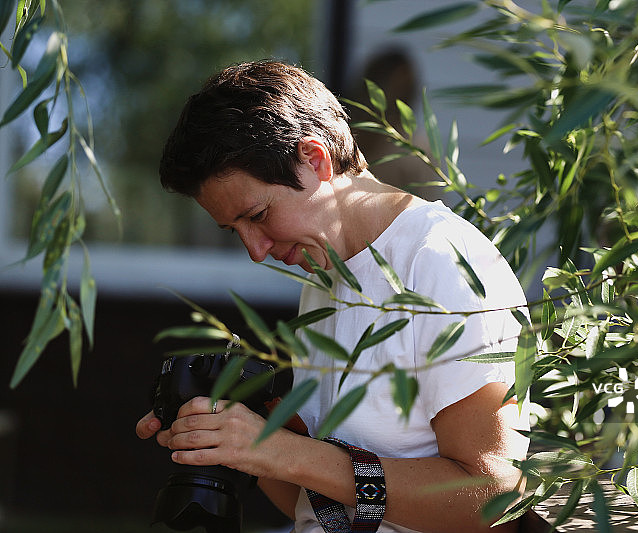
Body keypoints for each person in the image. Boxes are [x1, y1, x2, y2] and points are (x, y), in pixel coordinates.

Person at [136, 60, 531, 533]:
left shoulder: (442, 263)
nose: (256, 251)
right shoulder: (328, 275)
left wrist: (285, 451)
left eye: (258, 215)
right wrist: (233, 438)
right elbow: (316, 507)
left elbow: (494, 500)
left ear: (315, 159)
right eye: (234, 230)